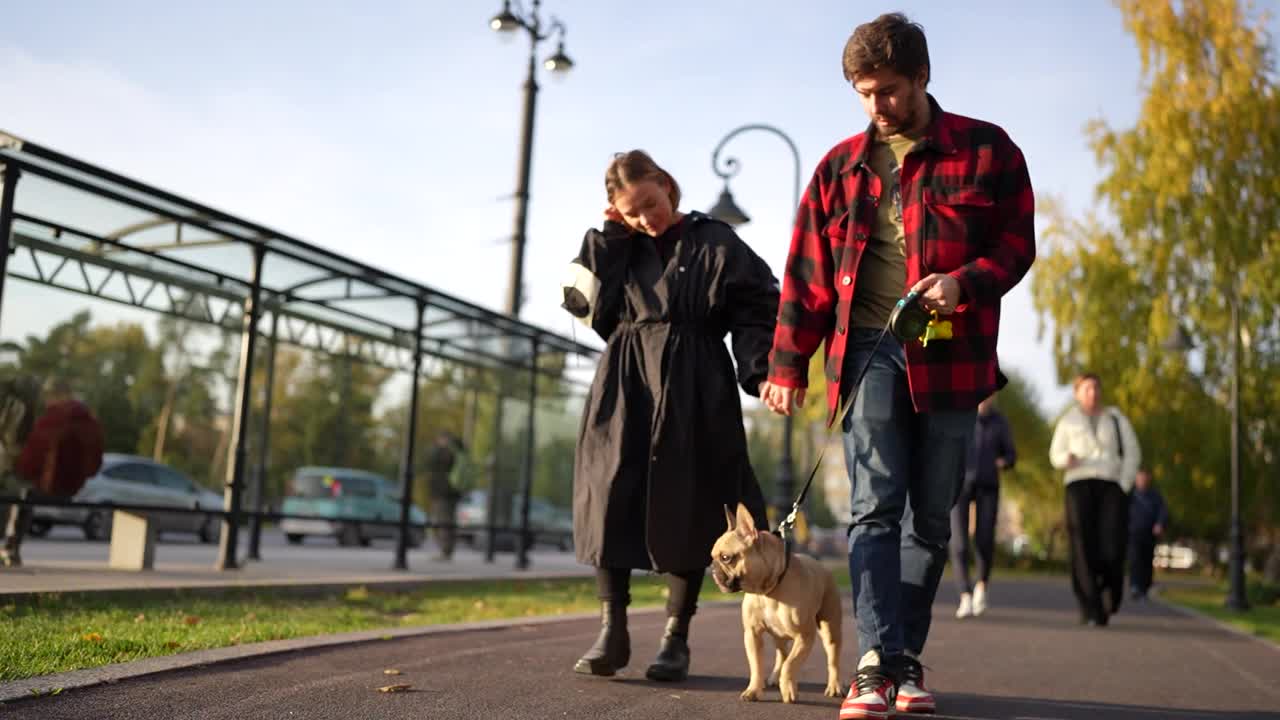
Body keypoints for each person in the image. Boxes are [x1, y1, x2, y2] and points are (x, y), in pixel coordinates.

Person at [759, 13, 1036, 718]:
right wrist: (788, 365)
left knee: (933, 519)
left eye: (887, 90)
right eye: (863, 93)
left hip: (952, 355)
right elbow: (806, 277)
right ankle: (874, 665)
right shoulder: (837, 168)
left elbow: (1016, 245)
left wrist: (966, 282)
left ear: (921, 77)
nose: (876, 106)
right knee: (873, 508)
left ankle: (904, 659)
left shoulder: (988, 150)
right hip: (867, 355)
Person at [561, 149, 776, 682]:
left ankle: (676, 638)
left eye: (651, 204)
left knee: (693, 497)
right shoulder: (614, 246)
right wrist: (611, 238)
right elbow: (580, 305)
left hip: (696, 380)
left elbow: (758, 304)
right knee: (608, 493)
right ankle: (612, 630)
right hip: (625, 380)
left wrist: (761, 371)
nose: (645, 218)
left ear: (666, 184)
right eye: (631, 211)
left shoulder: (715, 239)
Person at [1049, 372, 1141, 626]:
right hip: (1078, 484)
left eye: (1096, 388)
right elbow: (1055, 454)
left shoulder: (1115, 418)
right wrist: (1065, 459)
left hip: (1111, 484)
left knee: (1112, 544)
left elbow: (1132, 452)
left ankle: (1110, 591)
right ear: (1077, 393)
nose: (1093, 393)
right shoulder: (1068, 421)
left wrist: (1124, 483)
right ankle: (1090, 606)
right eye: (1087, 389)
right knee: (1082, 546)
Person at [952, 393, 1016, 619]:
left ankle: (981, 587)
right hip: (960, 484)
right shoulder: (960, 416)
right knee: (959, 541)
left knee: (984, 538)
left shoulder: (1000, 421)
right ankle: (964, 596)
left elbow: (1011, 454)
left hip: (988, 485)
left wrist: (1002, 461)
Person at [1127, 468, 1168, 601]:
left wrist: (1159, 524)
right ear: (1136, 479)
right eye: (1140, 478)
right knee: (1134, 559)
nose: (1142, 481)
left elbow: (1163, 511)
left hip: (1149, 533)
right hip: (1133, 533)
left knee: (1146, 560)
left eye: (1144, 478)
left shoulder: (1155, 496)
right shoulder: (1130, 495)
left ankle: (1144, 588)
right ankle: (1134, 586)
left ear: (1148, 479)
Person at [425, 431, 462, 561]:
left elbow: (432, 461)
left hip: (443, 492)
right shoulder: (458, 451)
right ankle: (446, 550)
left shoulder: (447, 452)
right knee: (445, 522)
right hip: (449, 492)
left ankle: (445, 552)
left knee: (443, 522)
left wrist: (439, 448)